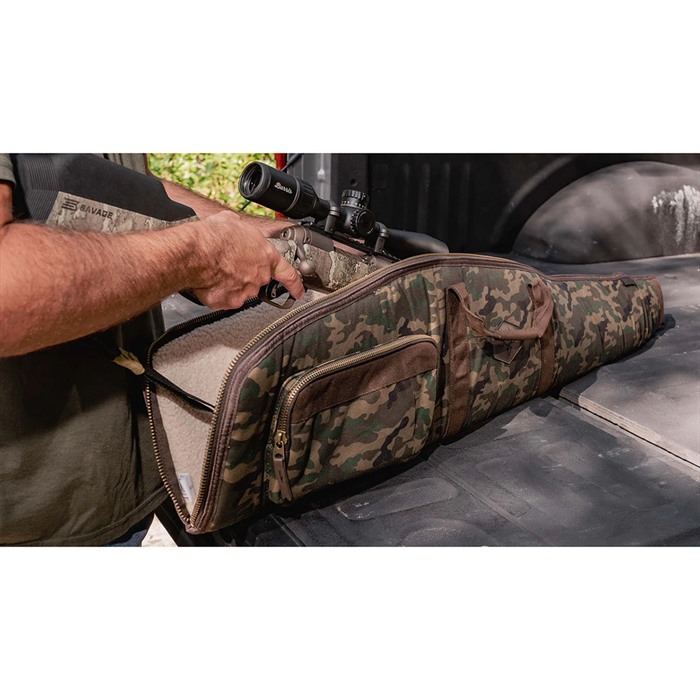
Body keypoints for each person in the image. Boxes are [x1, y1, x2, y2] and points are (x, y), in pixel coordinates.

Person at [0, 153, 305, 546]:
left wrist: (251, 233)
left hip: (117, 479)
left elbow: (125, 181)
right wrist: (200, 255)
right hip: (38, 517)